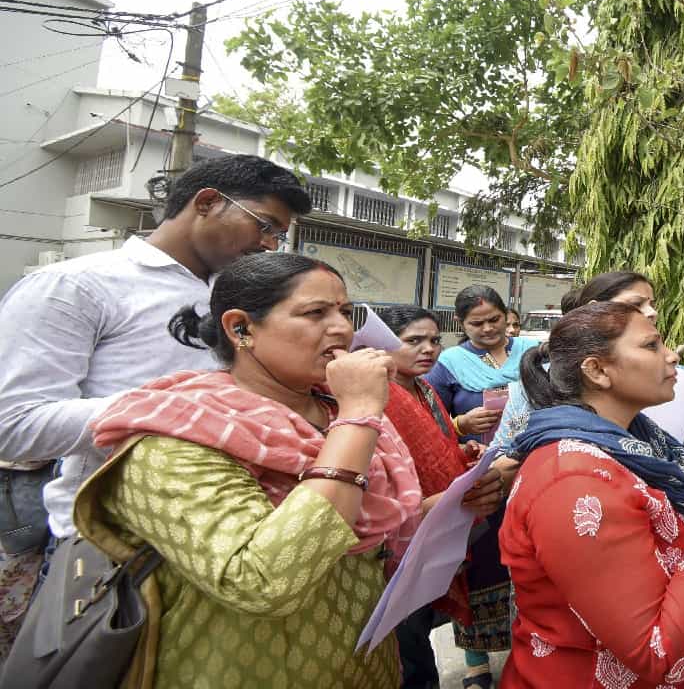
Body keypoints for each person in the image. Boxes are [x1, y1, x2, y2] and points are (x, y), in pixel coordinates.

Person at [0, 154, 311, 655]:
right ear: (207, 202)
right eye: (264, 225)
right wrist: (180, 413)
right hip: (116, 547)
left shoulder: (240, 302)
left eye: (279, 235)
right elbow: (12, 424)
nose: (269, 244)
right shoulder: (75, 285)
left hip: (234, 541)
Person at [73, 252, 422, 687]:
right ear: (241, 329)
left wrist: (445, 507)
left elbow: (368, 536)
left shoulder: (341, 416)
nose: (342, 329)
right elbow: (262, 579)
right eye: (316, 313)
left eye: (346, 312)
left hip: (364, 667)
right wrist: (359, 413)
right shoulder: (178, 434)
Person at [499, 301, 684, 687]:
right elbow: (657, 653)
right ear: (598, 371)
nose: (671, 356)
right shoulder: (573, 481)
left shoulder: (638, 442)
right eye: (651, 346)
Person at [378, 305, 506, 689]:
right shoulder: (380, 396)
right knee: (405, 644)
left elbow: (438, 443)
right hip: (399, 537)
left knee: (416, 634)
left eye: (434, 340)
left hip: (438, 527)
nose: (428, 349)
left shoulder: (425, 388)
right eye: (414, 341)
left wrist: (462, 452)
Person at [424, 285, 536, 686]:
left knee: (526, 563)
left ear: (508, 315)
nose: (488, 328)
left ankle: (527, 647)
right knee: (477, 566)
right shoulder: (449, 364)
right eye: (477, 323)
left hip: (530, 472)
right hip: (480, 480)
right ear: (461, 324)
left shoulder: (531, 353)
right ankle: (475, 662)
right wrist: (460, 425)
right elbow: (428, 420)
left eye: (495, 319)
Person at [489, 271, 684, 458]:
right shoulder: (575, 471)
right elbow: (500, 459)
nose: (652, 312)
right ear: (596, 371)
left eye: (653, 304)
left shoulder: (676, 380)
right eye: (636, 304)